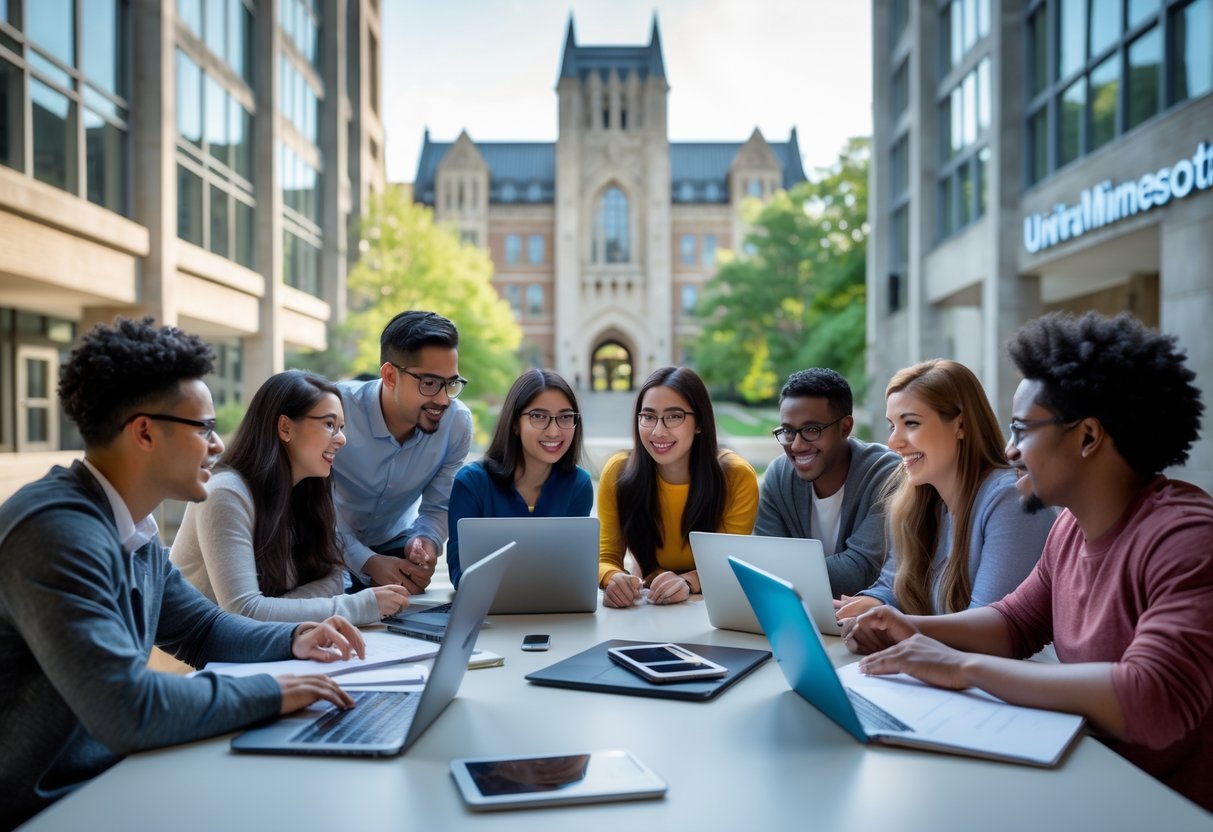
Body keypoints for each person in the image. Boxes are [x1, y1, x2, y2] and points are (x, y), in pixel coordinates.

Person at [0, 318, 363, 830]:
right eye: (204, 429)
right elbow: (129, 707)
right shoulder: (54, 532)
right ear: (145, 432)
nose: (217, 446)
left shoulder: (133, 528)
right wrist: (275, 692)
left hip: (110, 778)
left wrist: (296, 639)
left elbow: (202, 628)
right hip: (44, 808)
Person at [843, 313, 1213, 810]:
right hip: (1086, 777)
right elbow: (1014, 622)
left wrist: (960, 667)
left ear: (1087, 437)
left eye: (1022, 430)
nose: (1010, 450)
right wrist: (905, 624)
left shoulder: (1186, 536)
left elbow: (1152, 696)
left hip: (1160, 806)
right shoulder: (1069, 527)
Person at [172, 371, 410, 624]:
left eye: (341, 427)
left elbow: (336, 578)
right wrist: (358, 606)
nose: (341, 439)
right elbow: (242, 613)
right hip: (195, 661)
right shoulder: (225, 493)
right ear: (285, 427)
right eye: (329, 425)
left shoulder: (309, 490)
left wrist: (274, 609)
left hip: (270, 647)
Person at [836, 360, 1055, 620]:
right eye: (892, 426)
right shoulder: (918, 503)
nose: (893, 442)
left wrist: (895, 626)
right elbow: (891, 589)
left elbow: (989, 629)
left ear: (961, 426)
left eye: (911, 423)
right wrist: (866, 606)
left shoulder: (1010, 500)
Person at [330, 310, 473, 594]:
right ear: (389, 375)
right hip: (321, 542)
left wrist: (426, 541)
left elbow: (438, 506)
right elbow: (307, 508)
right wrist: (369, 562)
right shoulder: (335, 410)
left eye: (451, 383)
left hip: (394, 541)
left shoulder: (456, 424)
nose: (443, 400)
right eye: (430, 383)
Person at [599, 366, 759, 607]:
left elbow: (730, 562)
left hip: (712, 610)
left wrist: (687, 582)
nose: (658, 431)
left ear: (699, 423)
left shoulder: (736, 476)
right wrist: (614, 579)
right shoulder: (619, 472)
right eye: (648, 416)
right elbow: (605, 557)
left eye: (674, 416)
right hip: (645, 606)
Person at [755, 368, 901, 597]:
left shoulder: (885, 474)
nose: (796, 446)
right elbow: (763, 560)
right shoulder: (779, 476)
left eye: (812, 430)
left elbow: (860, 572)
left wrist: (775, 575)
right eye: (788, 431)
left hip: (863, 623)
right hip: (797, 617)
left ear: (845, 428)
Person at [446, 369, 593, 587]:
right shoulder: (471, 484)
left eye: (565, 417)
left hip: (558, 613)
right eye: (539, 417)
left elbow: (574, 572)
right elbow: (460, 573)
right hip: (488, 613)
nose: (554, 432)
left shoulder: (578, 485)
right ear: (515, 424)